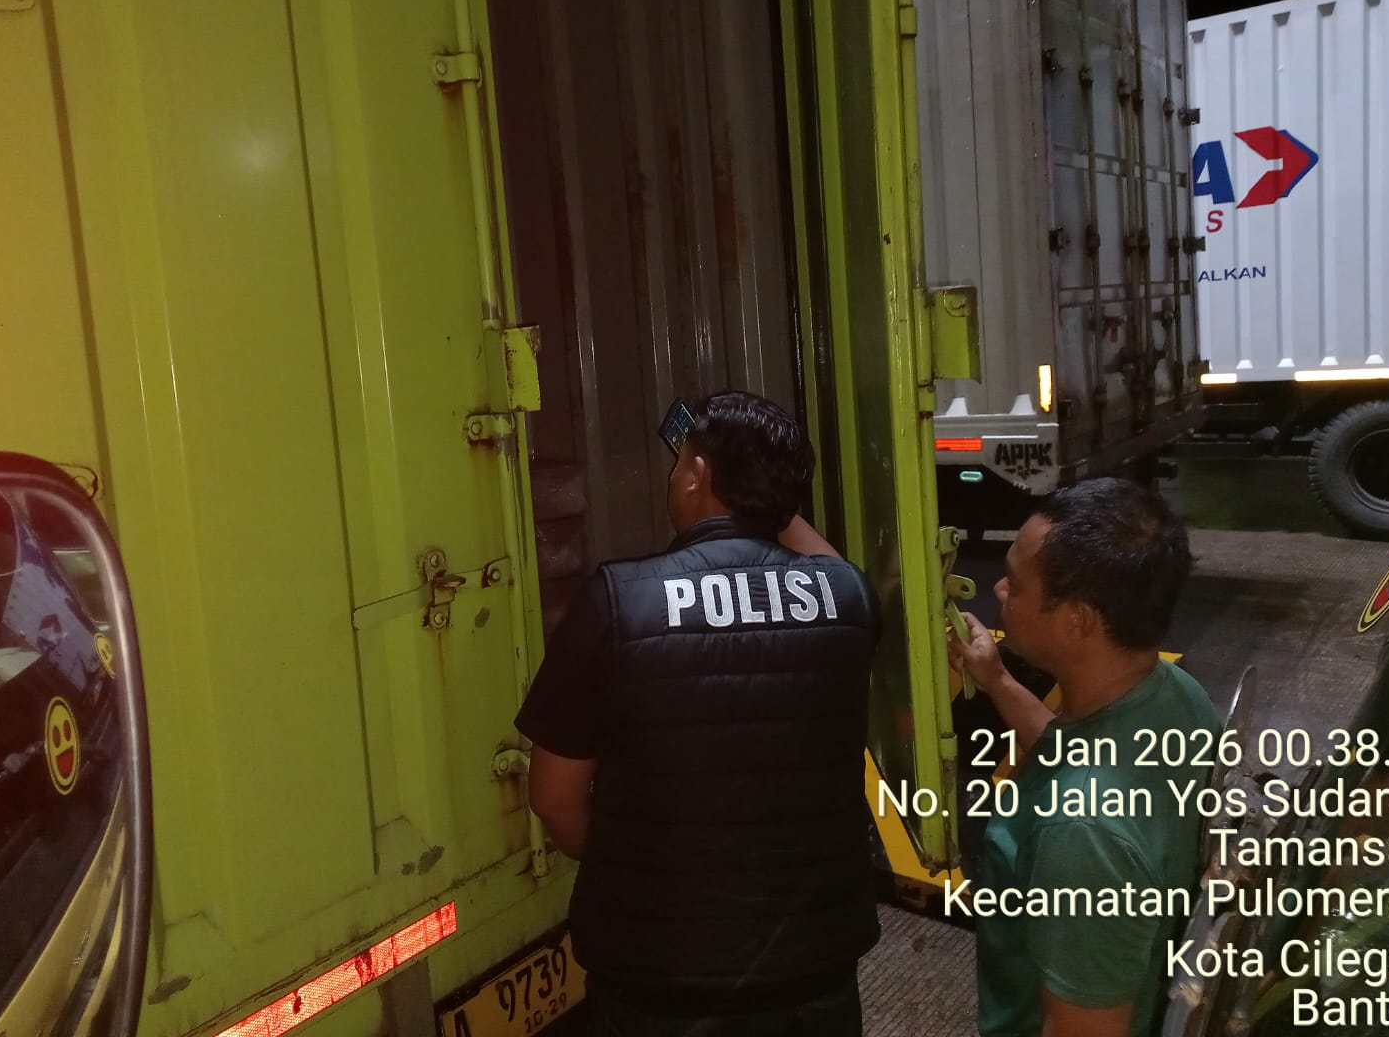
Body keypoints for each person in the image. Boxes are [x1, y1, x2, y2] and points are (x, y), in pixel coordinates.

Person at [516, 391, 881, 1036]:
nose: (673, 475)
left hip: (661, 979)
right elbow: (826, 568)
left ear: (697, 475)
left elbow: (553, 798)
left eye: (680, 462)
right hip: (814, 966)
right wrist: (765, 496)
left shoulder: (617, 601)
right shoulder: (847, 597)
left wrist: (632, 869)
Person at [946, 477, 1218, 1037]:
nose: (999, 589)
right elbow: (1077, 750)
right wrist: (996, 679)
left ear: (1077, 620)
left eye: (1017, 585)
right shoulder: (1175, 695)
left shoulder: (1082, 834)